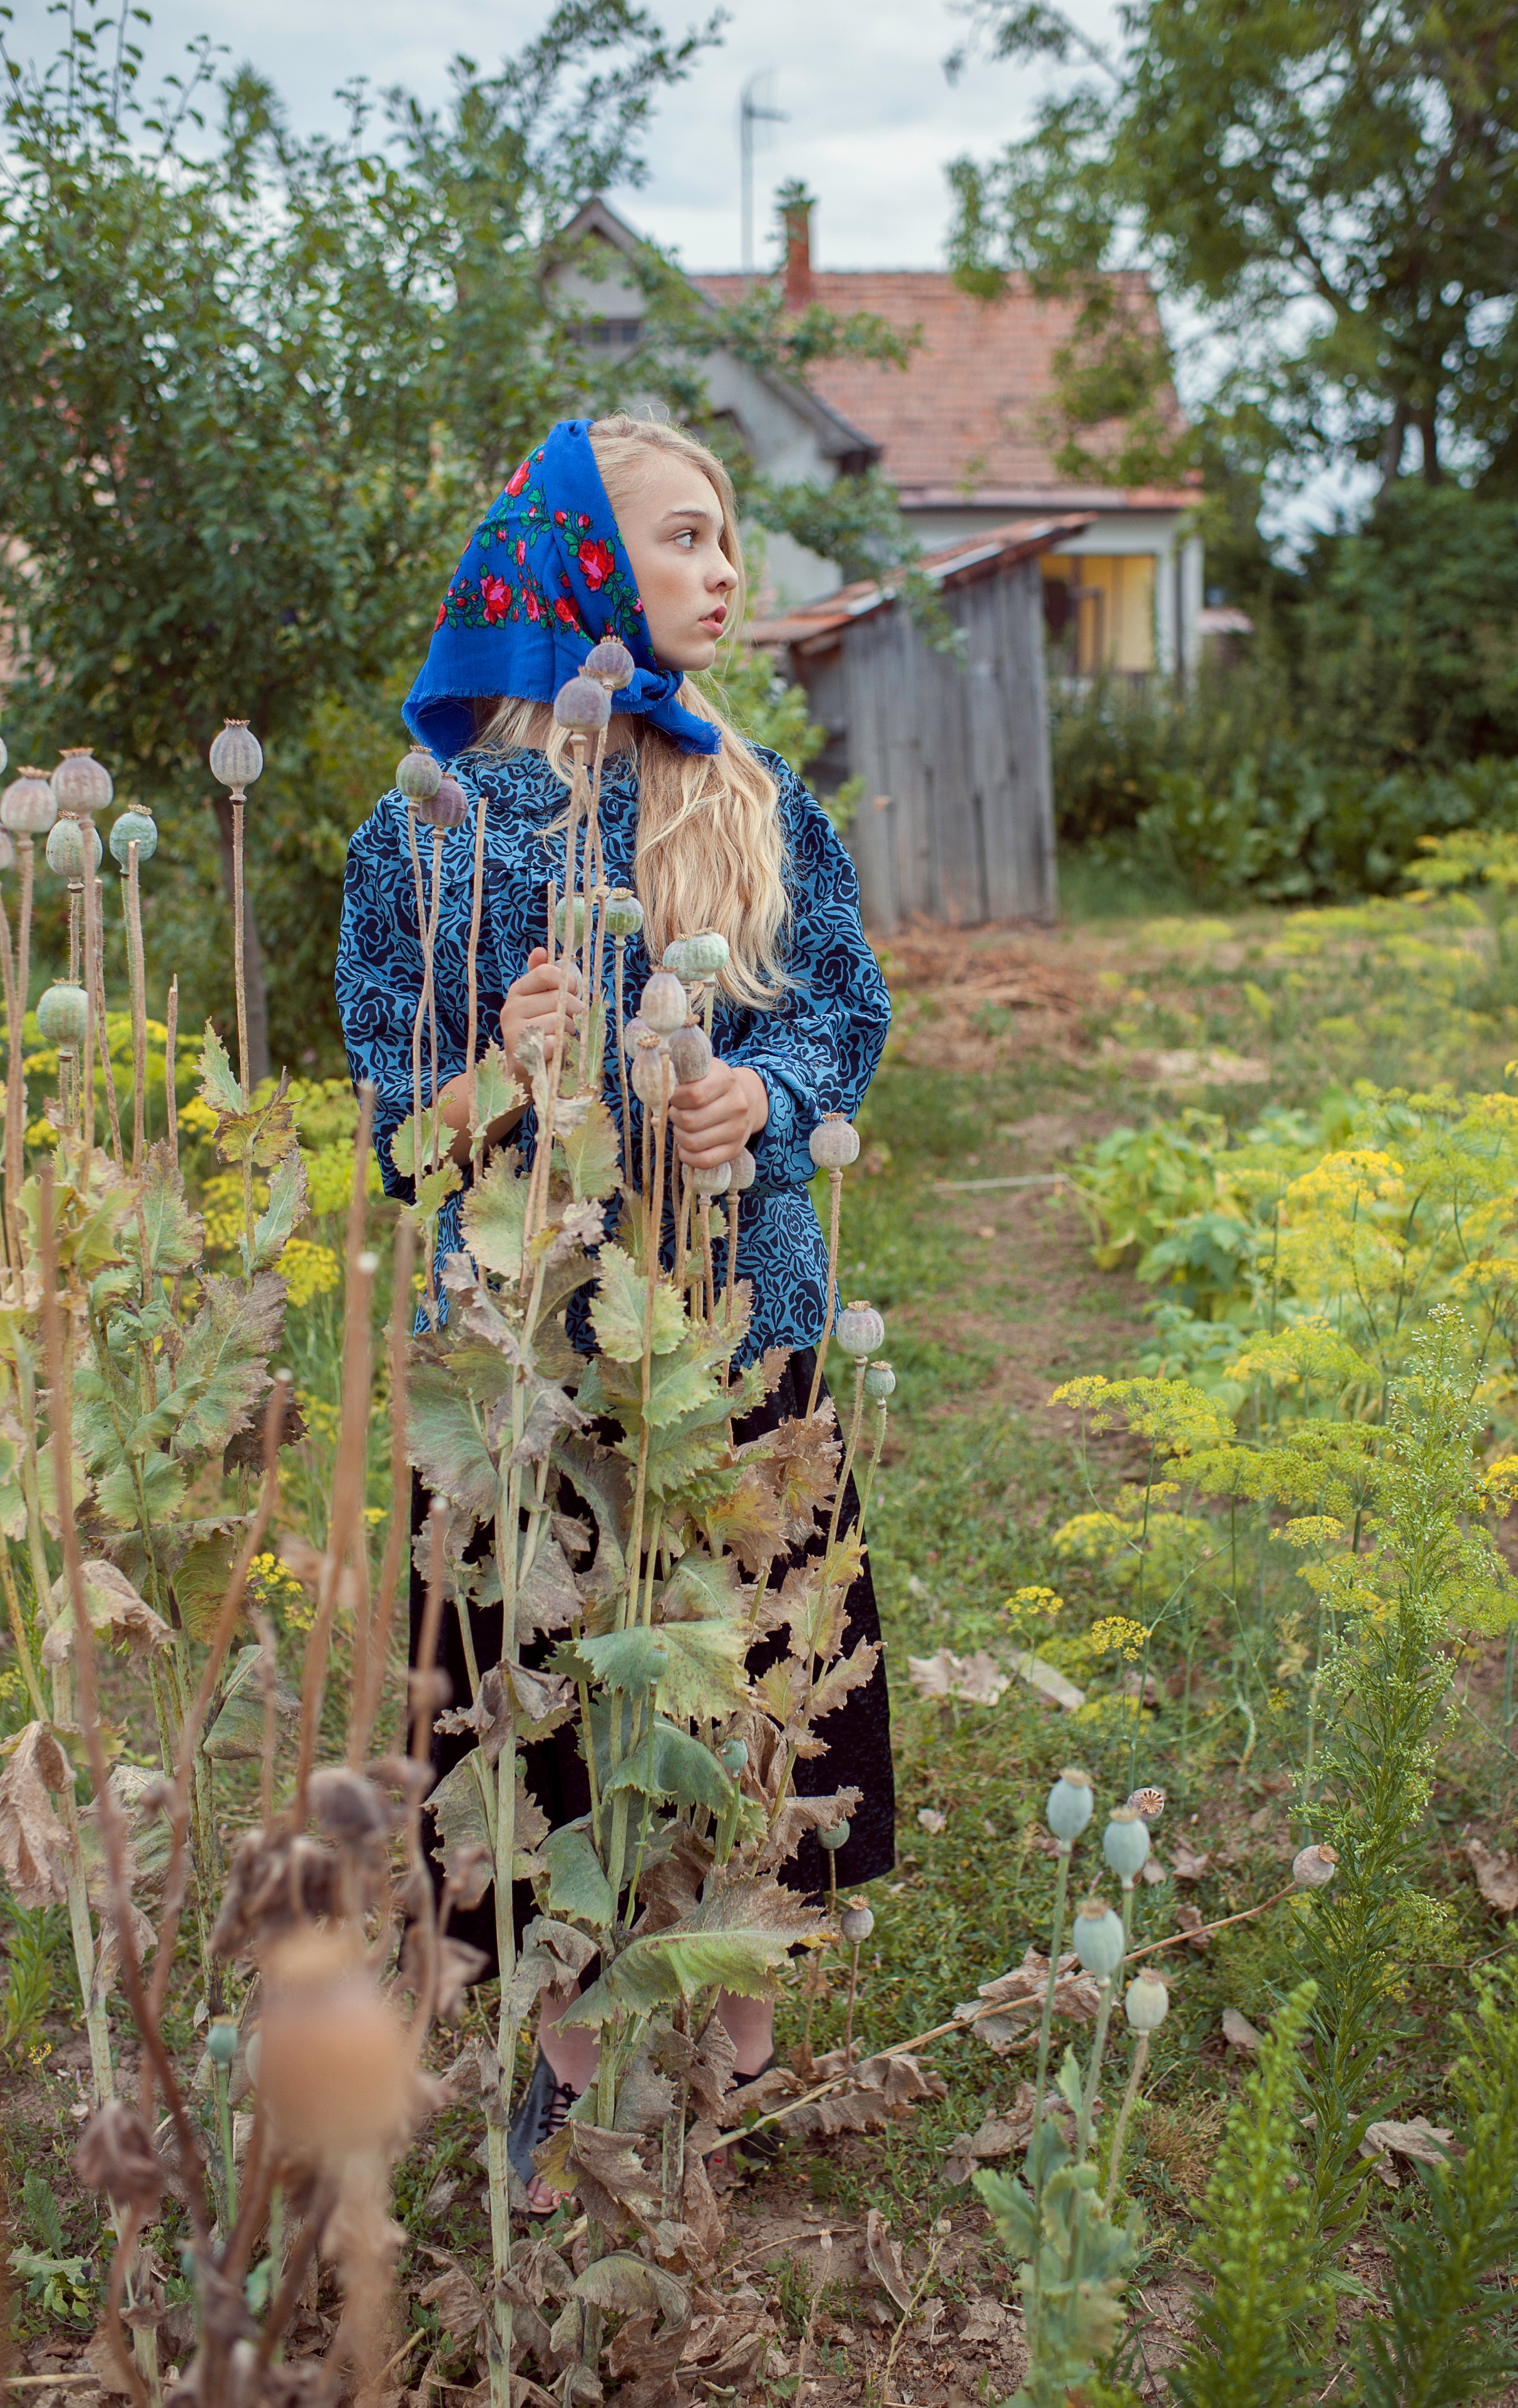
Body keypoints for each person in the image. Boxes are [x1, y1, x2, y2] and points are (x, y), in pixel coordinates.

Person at [337, 414, 895, 2210]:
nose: (725, 572)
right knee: (545, 1708)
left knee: (745, 1666)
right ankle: (560, 2065)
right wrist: (494, 1072)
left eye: (731, 541)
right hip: (526, 1355)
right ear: (577, 564)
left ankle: (739, 2048)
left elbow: (846, 1009)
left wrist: (775, 1100)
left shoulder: (754, 793)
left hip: (738, 1325)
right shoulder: (426, 828)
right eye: (683, 539)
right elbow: (389, 1097)